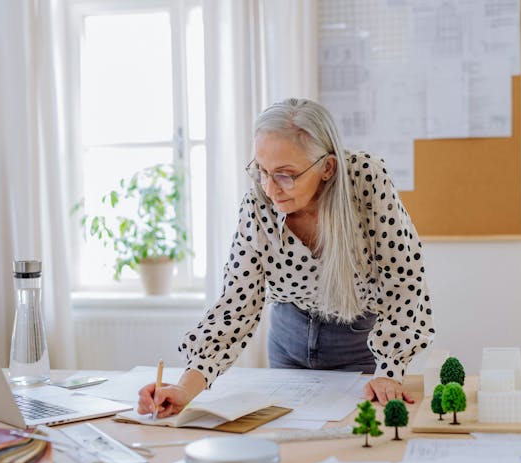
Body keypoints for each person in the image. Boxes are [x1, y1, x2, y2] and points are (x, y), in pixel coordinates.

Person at [138, 98, 435, 418]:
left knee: (355, 434)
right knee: (291, 432)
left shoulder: (365, 180)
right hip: (288, 338)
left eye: (285, 174)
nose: (269, 188)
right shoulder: (258, 200)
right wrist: (183, 389)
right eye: (262, 171)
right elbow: (236, 304)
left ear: (327, 168)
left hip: (359, 341)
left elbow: (403, 277)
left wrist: (389, 371)